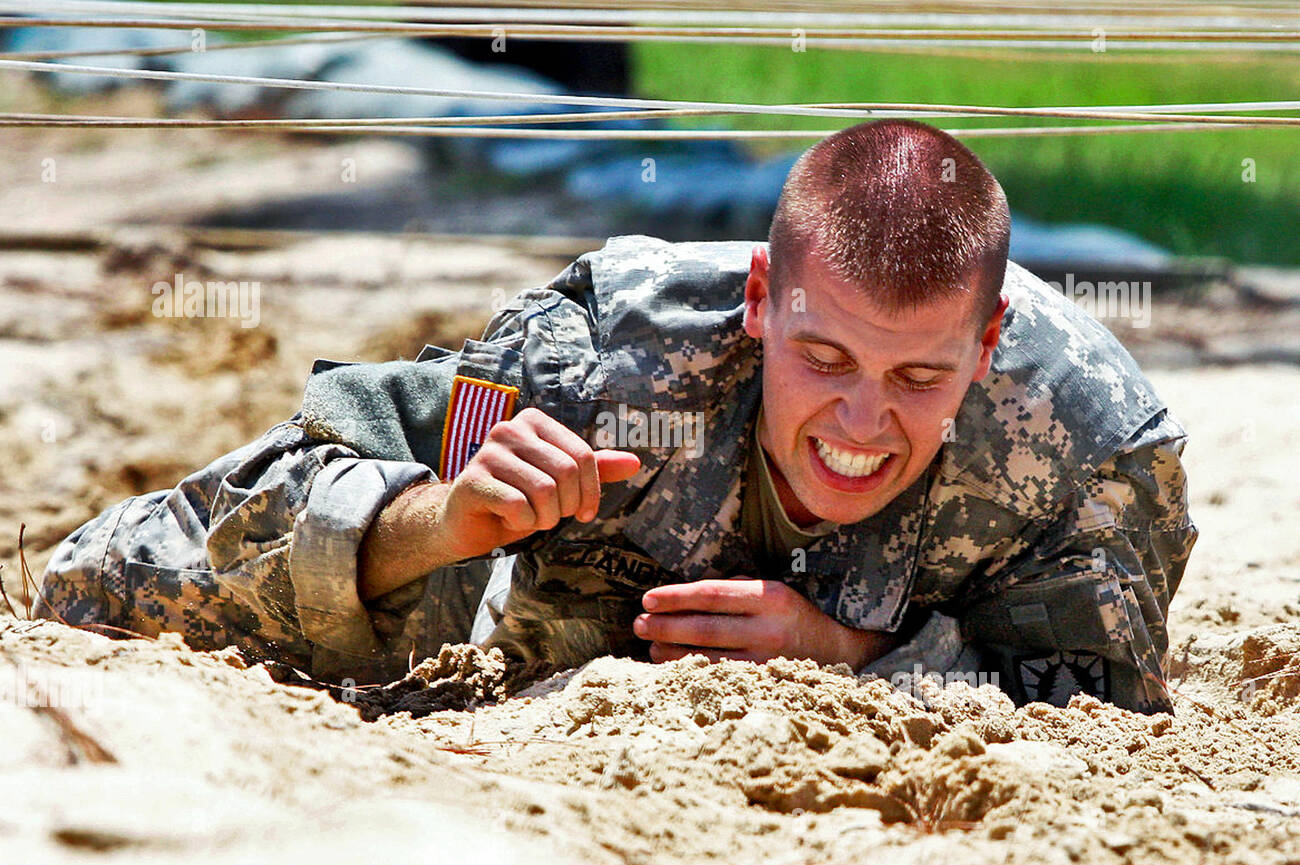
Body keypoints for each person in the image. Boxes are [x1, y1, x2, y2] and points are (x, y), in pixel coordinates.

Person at [35, 119, 1197, 713]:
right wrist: (433, 521)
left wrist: (862, 656)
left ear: (986, 350)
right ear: (758, 300)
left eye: (916, 379)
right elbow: (94, 583)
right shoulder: (589, 367)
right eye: (825, 354)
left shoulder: (1085, 449)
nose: (860, 421)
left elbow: (1107, 708)